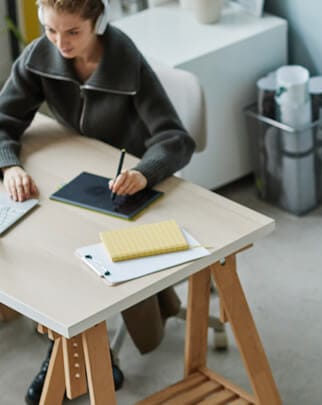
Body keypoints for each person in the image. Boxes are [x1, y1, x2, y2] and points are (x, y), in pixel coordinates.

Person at [0, 1, 196, 404]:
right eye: (51, 31)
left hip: (128, 184)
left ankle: (79, 355)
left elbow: (175, 139)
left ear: (98, 23)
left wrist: (145, 172)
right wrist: (9, 166)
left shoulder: (125, 60)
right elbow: (4, 120)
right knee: (40, 245)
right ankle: (78, 351)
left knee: (81, 260)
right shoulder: (41, 55)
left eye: (73, 32)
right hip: (75, 171)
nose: (60, 43)